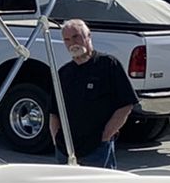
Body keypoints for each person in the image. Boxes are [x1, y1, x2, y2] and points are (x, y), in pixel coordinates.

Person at [47, 18, 138, 168]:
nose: (72, 43)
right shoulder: (63, 73)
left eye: (76, 36)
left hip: (97, 150)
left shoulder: (108, 64)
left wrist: (105, 136)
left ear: (88, 36)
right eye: (67, 39)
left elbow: (126, 105)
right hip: (65, 151)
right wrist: (56, 140)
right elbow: (53, 112)